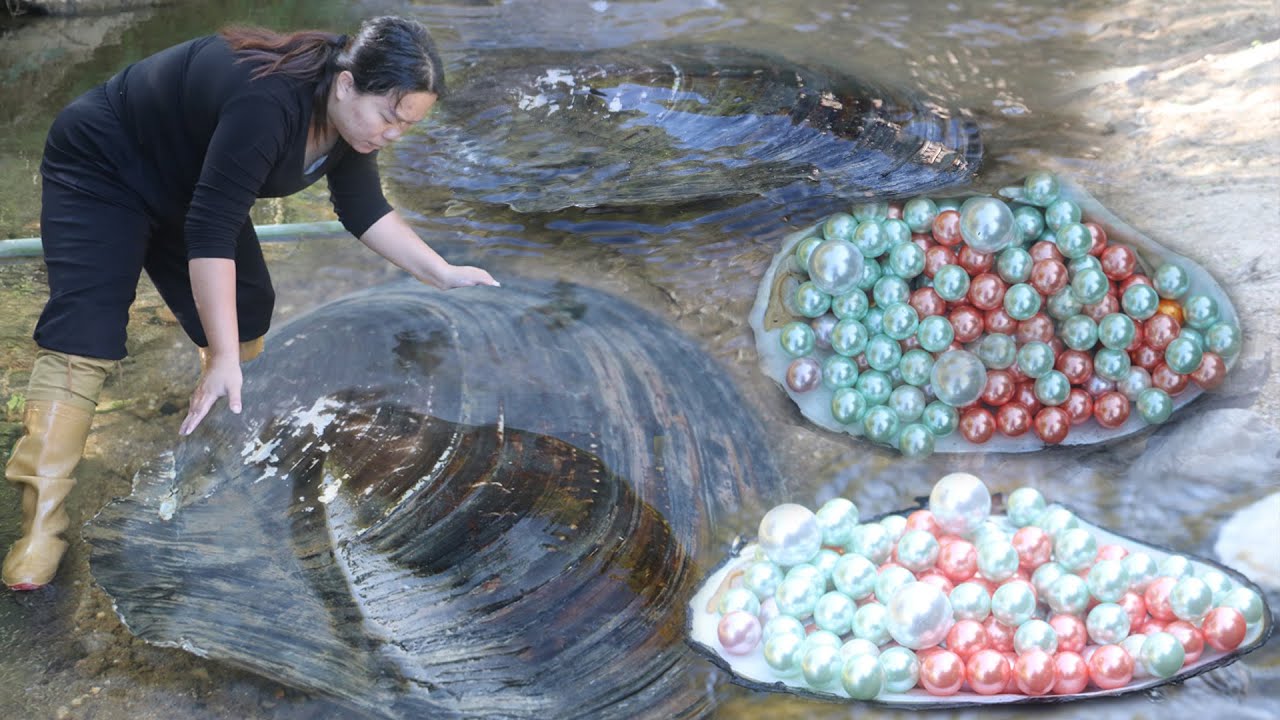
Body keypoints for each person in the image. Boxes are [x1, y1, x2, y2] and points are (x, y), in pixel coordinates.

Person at [3, 16, 498, 591]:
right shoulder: (268, 102)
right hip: (104, 164)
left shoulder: (350, 125)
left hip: (187, 178)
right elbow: (212, 232)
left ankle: (217, 432)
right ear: (345, 84)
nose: (392, 135)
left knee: (248, 305)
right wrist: (219, 354)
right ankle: (42, 524)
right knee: (84, 331)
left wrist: (440, 272)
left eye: (406, 127)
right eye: (390, 117)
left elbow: (362, 207)